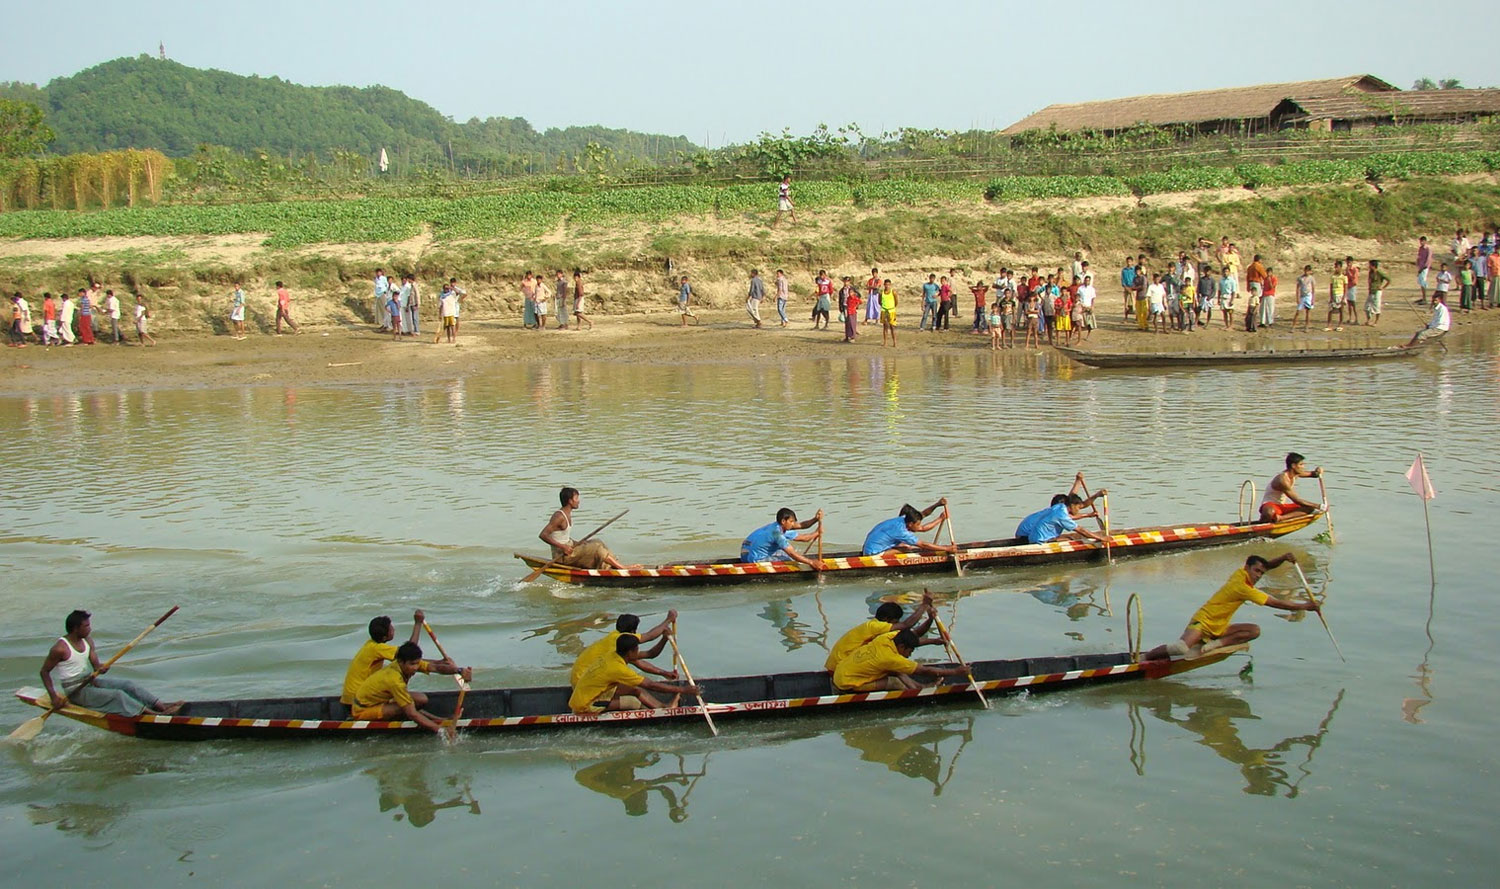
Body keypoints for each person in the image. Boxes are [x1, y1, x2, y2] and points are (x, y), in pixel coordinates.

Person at [1142, 554, 1320, 660]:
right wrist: (1305, 605)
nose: (1258, 576)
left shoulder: (1242, 575)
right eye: (1256, 571)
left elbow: (1266, 565)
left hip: (1219, 628)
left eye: (1261, 573)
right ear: (1247, 568)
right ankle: (1145, 657)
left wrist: (1283, 558)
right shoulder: (1242, 586)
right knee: (1180, 649)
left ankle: (1215, 644)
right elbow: (1276, 602)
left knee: (1254, 631)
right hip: (1202, 622)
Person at [39, 610, 183, 716]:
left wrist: (101, 668)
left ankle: (161, 706)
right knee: (117, 695)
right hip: (76, 692)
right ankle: (153, 715)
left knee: (128, 685)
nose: (90, 629)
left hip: (90, 682)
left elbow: (96, 665)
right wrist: (54, 697)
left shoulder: (87, 640)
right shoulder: (60, 648)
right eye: (86, 626)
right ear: (76, 629)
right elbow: (44, 672)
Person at [340, 610, 469, 708]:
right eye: (391, 628)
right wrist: (417, 624)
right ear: (385, 637)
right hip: (356, 699)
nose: (394, 629)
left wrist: (439, 662)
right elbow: (409, 653)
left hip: (351, 697)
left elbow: (409, 658)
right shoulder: (377, 648)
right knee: (417, 699)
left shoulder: (372, 645)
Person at [569, 635, 701, 713]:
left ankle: (664, 707)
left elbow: (650, 654)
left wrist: (664, 639)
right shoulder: (618, 669)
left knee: (636, 689)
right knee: (632, 702)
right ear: (630, 652)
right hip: (585, 707)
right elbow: (650, 685)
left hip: (584, 694)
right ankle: (664, 709)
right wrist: (683, 689)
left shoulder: (612, 655)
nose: (638, 653)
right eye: (637, 650)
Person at [824, 592, 939, 673]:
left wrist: (930, 619)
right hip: (838, 668)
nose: (897, 626)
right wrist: (924, 605)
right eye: (895, 622)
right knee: (892, 667)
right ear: (886, 619)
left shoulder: (881, 630)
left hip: (838, 667)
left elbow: (912, 636)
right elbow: (907, 625)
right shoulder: (875, 627)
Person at [351, 642, 451, 732]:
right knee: (407, 709)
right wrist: (441, 731)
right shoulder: (394, 680)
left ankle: (434, 719)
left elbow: (435, 667)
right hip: (362, 710)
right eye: (412, 664)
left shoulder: (403, 663)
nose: (416, 668)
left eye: (417, 663)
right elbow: (412, 713)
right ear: (401, 662)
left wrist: (459, 671)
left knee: (421, 699)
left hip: (381, 701)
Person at [831, 628, 968, 693]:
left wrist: (933, 641)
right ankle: (918, 691)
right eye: (910, 651)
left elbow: (911, 639)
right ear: (902, 647)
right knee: (896, 682)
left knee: (896, 671)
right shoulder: (891, 658)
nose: (909, 655)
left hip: (841, 671)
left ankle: (918, 688)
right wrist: (956, 671)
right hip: (846, 684)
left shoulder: (885, 638)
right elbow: (925, 670)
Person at [569, 612, 680, 687]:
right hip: (584, 681)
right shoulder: (618, 639)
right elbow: (650, 636)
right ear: (632, 631)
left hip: (580, 679)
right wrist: (668, 620)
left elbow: (650, 654)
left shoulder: (620, 643)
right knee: (635, 688)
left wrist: (664, 673)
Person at [539, 486, 637, 569]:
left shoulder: (567, 514)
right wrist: (563, 547)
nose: (578, 501)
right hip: (562, 556)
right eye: (576, 498)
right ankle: (622, 568)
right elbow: (543, 535)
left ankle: (614, 565)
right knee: (596, 547)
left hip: (569, 550)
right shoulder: (559, 516)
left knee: (597, 541)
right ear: (570, 501)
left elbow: (563, 537)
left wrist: (577, 543)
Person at [1015, 474, 1109, 545]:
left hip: (1033, 537)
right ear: (1071, 505)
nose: (1080, 509)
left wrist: (1078, 481)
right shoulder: (1061, 514)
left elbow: (1072, 498)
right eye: (1078, 507)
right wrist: (1101, 538)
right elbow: (1081, 530)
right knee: (1071, 540)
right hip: (1036, 540)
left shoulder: (1059, 507)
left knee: (1070, 537)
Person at [861, 499, 955, 556]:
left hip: (869, 547)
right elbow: (923, 544)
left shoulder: (903, 519)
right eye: (917, 524)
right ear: (910, 524)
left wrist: (937, 504)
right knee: (906, 549)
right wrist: (946, 549)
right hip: (872, 553)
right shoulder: (901, 531)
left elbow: (923, 514)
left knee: (905, 544)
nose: (919, 526)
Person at [740, 507, 824, 569]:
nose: (793, 524)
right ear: (783, 521)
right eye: (791, 521)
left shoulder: (777, 526)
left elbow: (803, 530)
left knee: (787, 554)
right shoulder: (777, 534)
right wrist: (812, 562)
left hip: (745, 554)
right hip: (753, 559)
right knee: (790, 559)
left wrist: (815, 519)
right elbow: (792, 554)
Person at [1258, 452, 1324, 522]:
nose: (1303, 467)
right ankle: (1261, 524)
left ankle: (1280, 518)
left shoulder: (1296, 474)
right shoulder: (1282, 480)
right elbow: (1297, 500)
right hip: (1271, 505)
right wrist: (1319, 506)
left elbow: (1314, 474)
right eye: (1301, 464)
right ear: (1293, 466)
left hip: (1282, 507)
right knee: (1269, 512)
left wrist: (1319, 470)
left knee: (1309, 508)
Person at [1365, 259, 1389, 326]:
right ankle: (1368, 320)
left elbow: (1388, 280)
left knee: (1377, 306)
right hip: (1371, 291)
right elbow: (1369, 281)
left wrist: (1383, 287)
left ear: (1373, 266)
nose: (1369, 266)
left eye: (1370, 265)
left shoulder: (1379, 273)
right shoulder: (1370, 272)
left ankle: (1376, 322)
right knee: (1367, 307)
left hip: (1377, 292)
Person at [841, 276, 860, 342]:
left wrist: (855, 304)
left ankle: (852, 336)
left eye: (847, 281)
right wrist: (841, 308)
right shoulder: (842, 290)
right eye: (845, 281)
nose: (846, 283)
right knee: (847, 322)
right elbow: (841, 299)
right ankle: (847, 336)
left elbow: (858, 296)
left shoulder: (852, 289)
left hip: (851, 307)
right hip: (845, 306)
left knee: (852, 322)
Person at [879, 279, 898, 347]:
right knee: (885, 327)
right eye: (886, 285)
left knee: (892, 327)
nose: (887, 286)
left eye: (888, 285)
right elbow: (879, 301)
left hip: (891, 311)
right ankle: (885, 342)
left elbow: (896, 302)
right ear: (884, 285)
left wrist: (892, 307)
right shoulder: (881, 293)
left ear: (890, 285)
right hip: (884, 310)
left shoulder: (893, 292)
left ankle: (894, 342)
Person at [1416, 236, 1432, 304]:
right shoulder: (1420, 248)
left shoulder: (1428, 249)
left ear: (1425, 241)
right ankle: (1423, 297)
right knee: (1420, 281)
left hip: (1424, 268)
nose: (1421, 243)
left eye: (1422, 241)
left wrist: (1423, 268)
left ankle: (1425, 299)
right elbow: (1419, 257)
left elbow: (1428, 259)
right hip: (1421, 267)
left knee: (1423, 282)